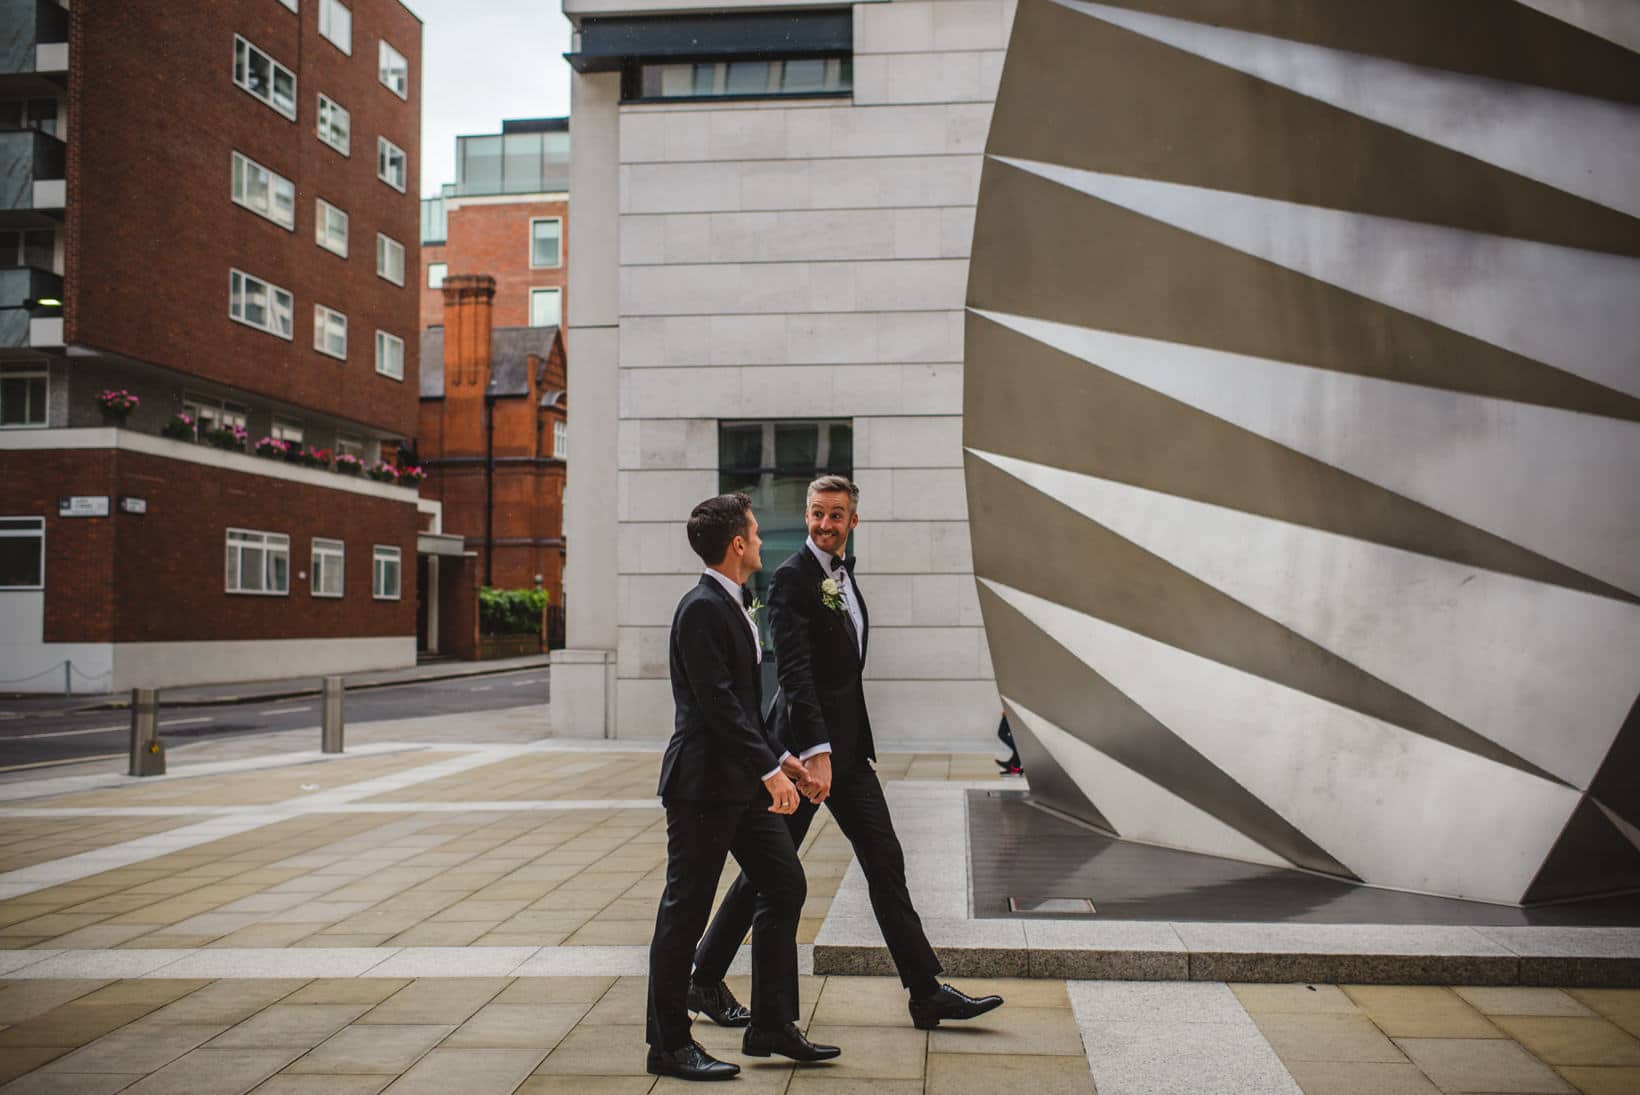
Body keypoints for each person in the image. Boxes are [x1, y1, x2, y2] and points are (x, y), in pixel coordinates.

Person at [688, 476, 1004, 1032]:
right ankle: (704, 978)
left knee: (884, 861)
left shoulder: (839, 579)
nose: (824, 524)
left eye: (835, 515)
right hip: (807, 756)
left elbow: (843, 676)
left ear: (852, 521)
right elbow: (794, 672)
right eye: (816, 514)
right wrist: (814, 753)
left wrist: (839, 750)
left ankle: (925, 991)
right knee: (769, 872)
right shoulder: (790, 580)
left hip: (847, 754)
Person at [645, 493, 841, 1081]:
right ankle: (668, 1044)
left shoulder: (733, 604)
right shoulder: (701, 608)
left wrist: (788, 759)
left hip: (741, 782)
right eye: (754, 533)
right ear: (737, 544)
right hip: (703, 786)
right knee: (686, 911)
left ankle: (771, 1025)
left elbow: (748, 711)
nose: (759, 540)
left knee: (783, 882)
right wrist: (769, 774)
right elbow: (718, 708)